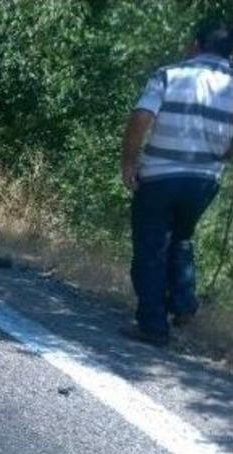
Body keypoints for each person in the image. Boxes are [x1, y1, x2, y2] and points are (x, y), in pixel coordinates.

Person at [120, 19, 233, 347]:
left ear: (196, 45)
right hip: (204, 181)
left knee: (151, 246)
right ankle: (183, 305)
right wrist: (222, 155)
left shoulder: (170, 75)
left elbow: (142, 117)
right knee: (181, 237)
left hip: (160, 176)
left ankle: (152, 325)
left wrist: (128, 161)